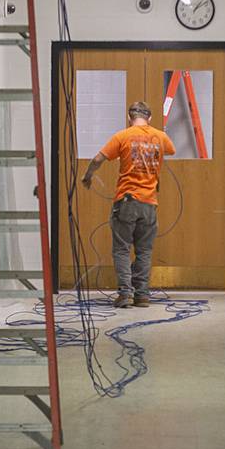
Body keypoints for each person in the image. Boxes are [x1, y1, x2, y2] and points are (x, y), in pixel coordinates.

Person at [81, 101, 176, 308]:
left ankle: (125, 294)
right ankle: (142, 295)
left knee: (122, 249)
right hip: (149, 203)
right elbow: (171, 150)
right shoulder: (160, 136)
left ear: (129, 117)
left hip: (126, 201)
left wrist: (87, 176)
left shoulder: (122, 136)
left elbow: (98, 159)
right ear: (149, 118)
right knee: (144, 250)